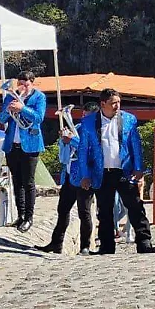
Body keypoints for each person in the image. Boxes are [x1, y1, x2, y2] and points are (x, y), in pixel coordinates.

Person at [78, 88, 155, 254]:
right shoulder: (88, 123)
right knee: (105, 210)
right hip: (102, 172)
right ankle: (107, 247)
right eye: (113, 103)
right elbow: (83, 150)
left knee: (136, 206)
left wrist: (138, 168)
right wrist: (85, 175)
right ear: (103, 104)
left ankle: (144, 243)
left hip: (124, 171)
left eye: (119, 102)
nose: (117, 106)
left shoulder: (129, 120)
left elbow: (135, 145)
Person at [38, 103, 97, 254]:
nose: (84, 118)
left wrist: (72, 140)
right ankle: (56, 244)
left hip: (86, 177)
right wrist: (64, 142)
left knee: (84, 212)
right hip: (69, 176)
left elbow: (90, 152)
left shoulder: (97, 132)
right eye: (83, 115)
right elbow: (64, 159)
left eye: (87, 116)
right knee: (62, 210)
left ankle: (85, 246)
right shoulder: (76, 129)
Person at [0, 71, 47, 233]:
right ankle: (20, 215)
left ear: (32, 83)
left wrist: (22, 108)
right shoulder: (10, 96)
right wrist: (9, 108)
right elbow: (1, 119)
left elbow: (39, 118)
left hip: (31, 145)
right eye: (20, 84)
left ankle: (29, 218)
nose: (23, 87)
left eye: (26, 84)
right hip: (12, 145)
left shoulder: (39, 97)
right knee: (17, 182)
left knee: (28, 182)